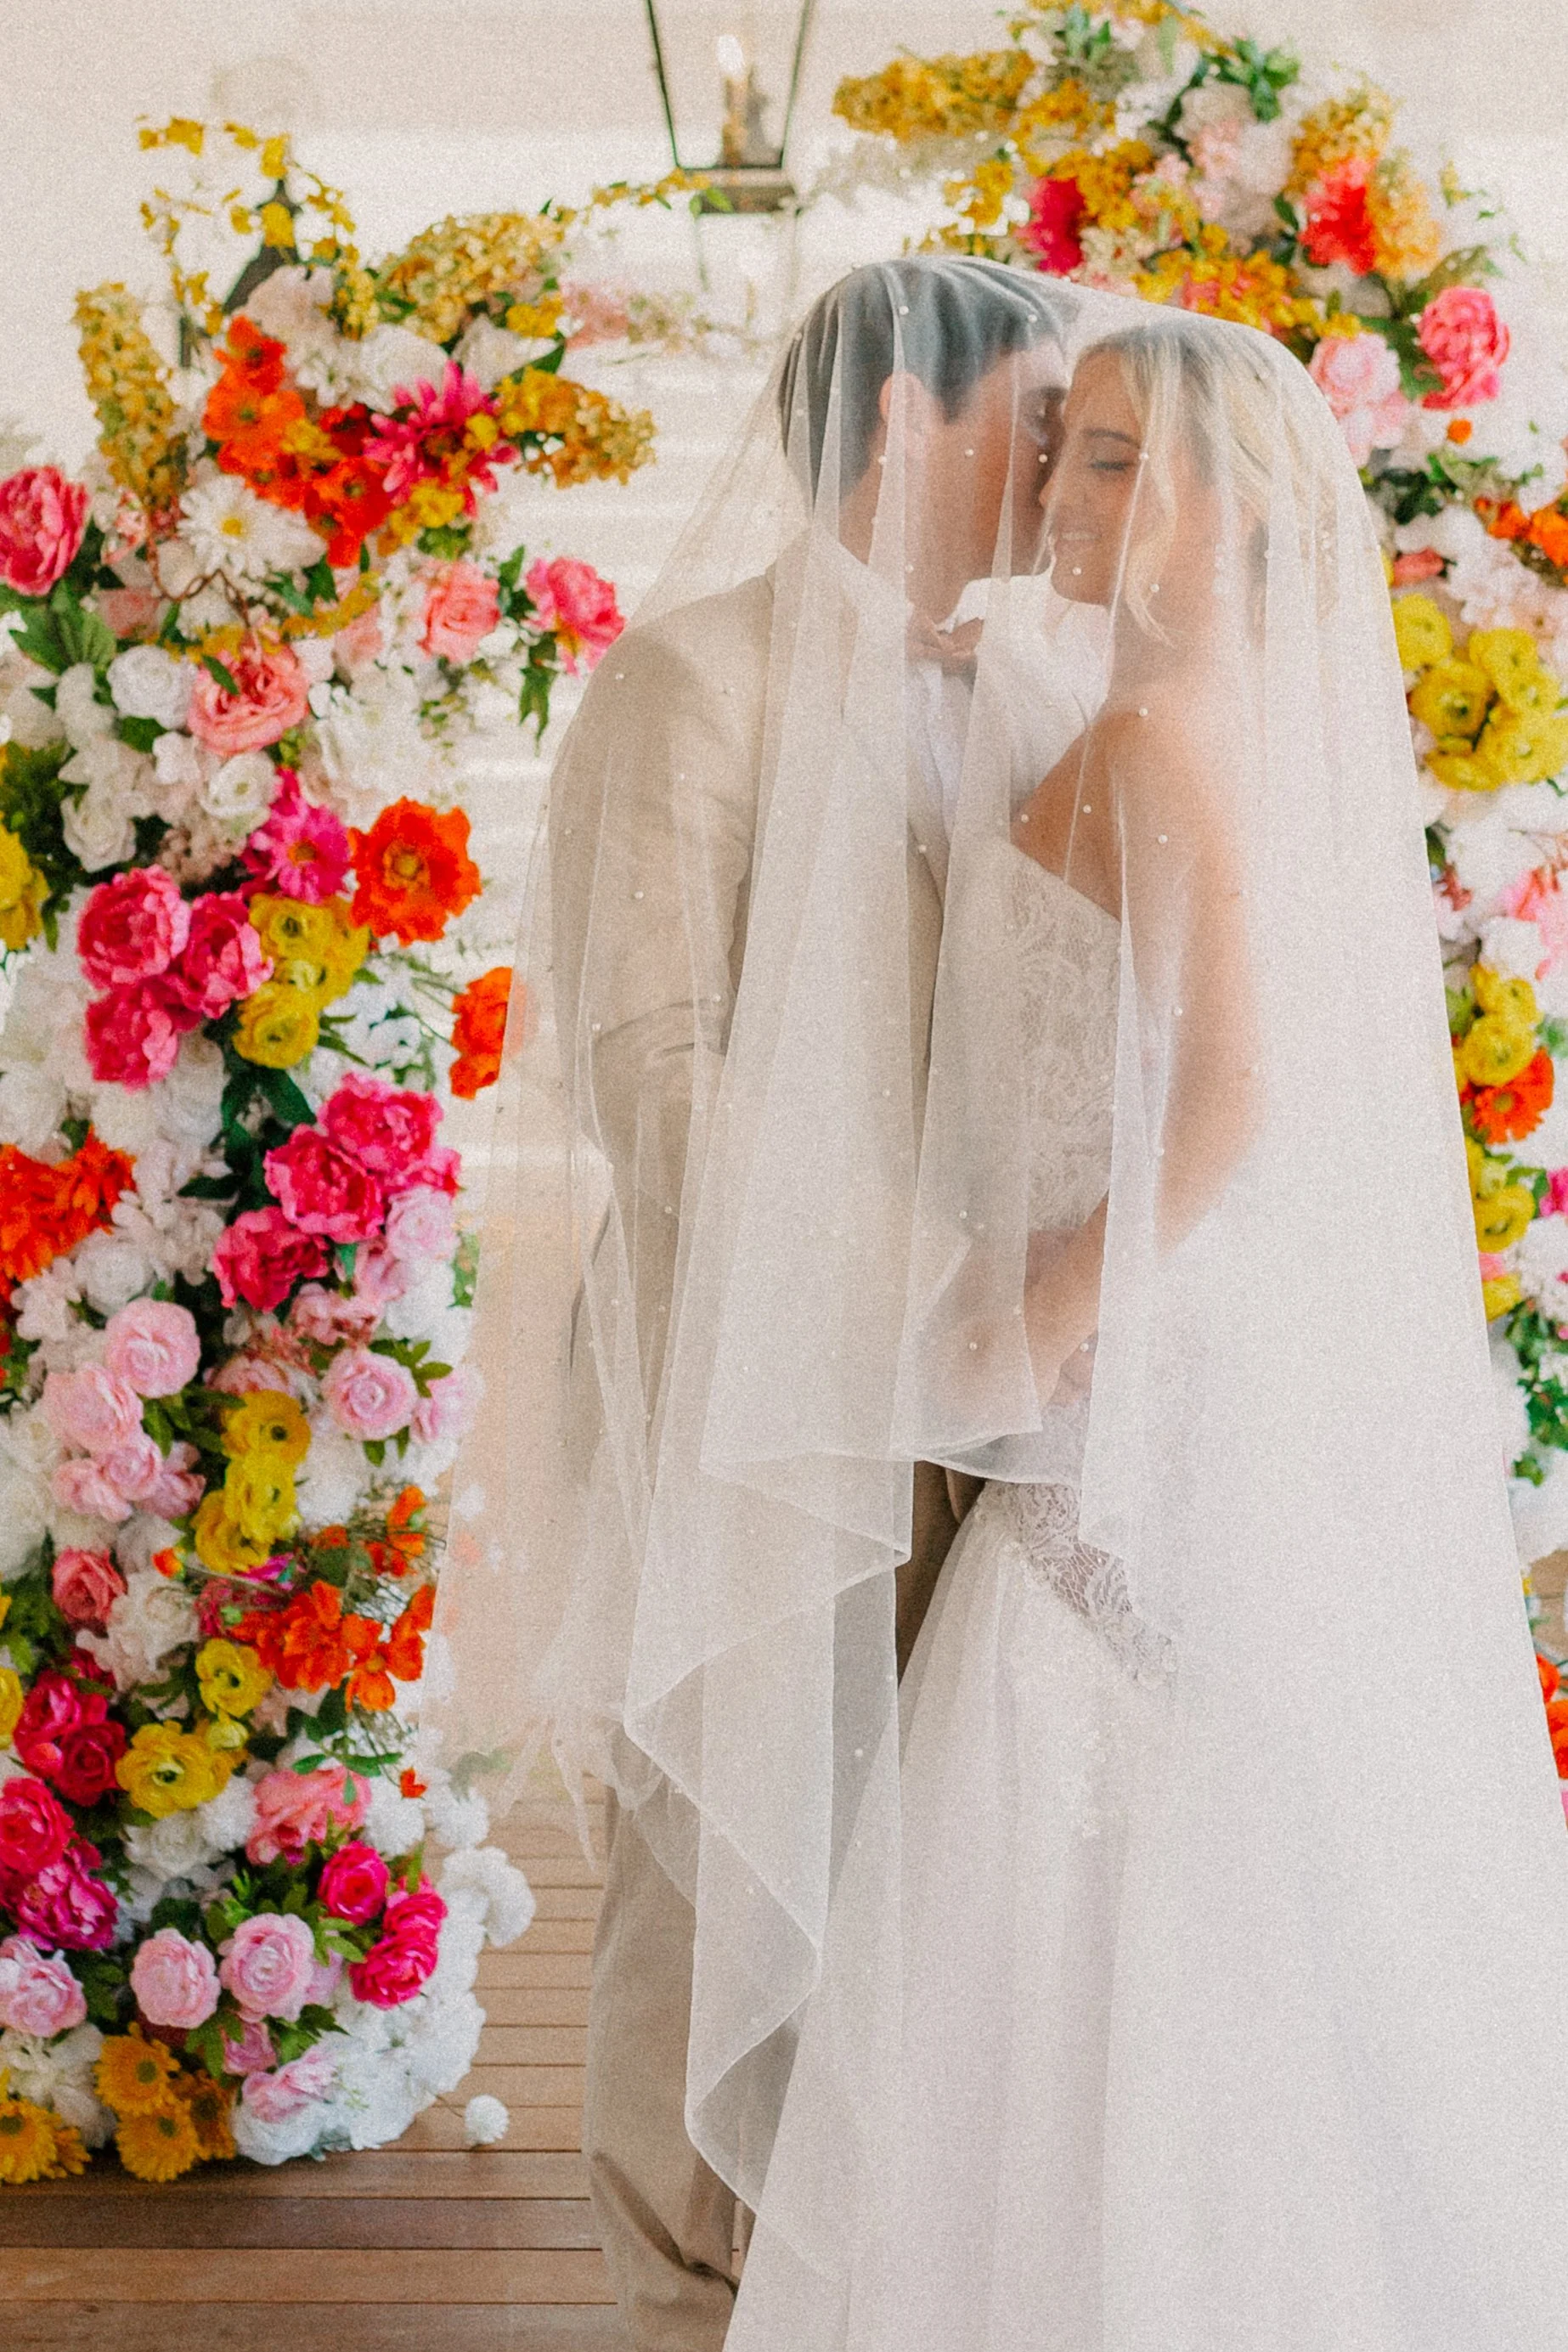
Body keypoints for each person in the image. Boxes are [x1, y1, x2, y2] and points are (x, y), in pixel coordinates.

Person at [714, 303, 1568, 2349]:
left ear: (1216, 505)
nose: (1058, 490)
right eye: (1060, 445)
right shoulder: (1155, 708)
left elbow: (1232, 1098)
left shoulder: (1158, 738)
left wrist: (1039, 1306)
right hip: (1166, 1386)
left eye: (1105, 458)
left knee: (1080, 1827)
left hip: (1113, 1419)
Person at [420, 257, 1081, 2352]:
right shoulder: (686, 683)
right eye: (1039, 422)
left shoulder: (1029, 697)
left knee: (932, 1850)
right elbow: (652, 1061)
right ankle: (688, 2297)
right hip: (750, 1377)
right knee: (720, 1872)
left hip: (994, 1402)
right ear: (908, 422)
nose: (1064, 467)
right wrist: (911, 1301)